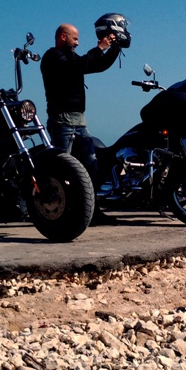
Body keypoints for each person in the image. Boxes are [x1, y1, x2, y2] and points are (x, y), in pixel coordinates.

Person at [41, 17, 124, 225]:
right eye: (75, 39)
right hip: (62, 122)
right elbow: (78, 65)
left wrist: (114, 48)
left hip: (79, 122)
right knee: (62, 169)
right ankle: (60, 212)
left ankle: (92, 212)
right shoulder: (53, 57)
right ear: (63, 37)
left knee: (90, 168)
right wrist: (100, 47)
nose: (77, 42)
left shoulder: (73, 59)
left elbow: (97, 65)